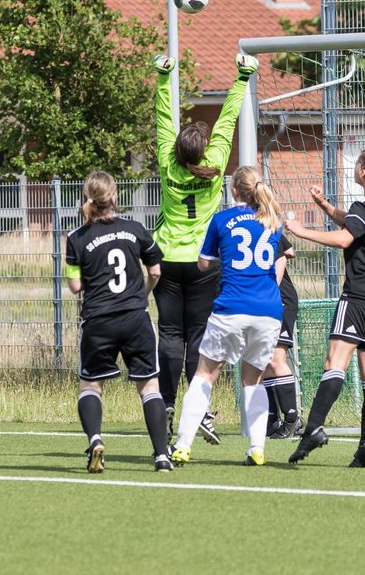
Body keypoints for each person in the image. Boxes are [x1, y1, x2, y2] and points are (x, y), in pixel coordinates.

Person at [151, 51, 259, 444]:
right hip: (203, 262)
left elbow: (164, 120)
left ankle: (164, 403)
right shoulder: (214, 166)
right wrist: (243, 77)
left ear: (177, 150)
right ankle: (201, 411)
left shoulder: (167, 162)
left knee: (169, 333)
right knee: (199, 334)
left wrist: (164, 78)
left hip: (165, 260)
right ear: (203, 149)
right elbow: (228, 118)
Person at [284, 148, 365, 468]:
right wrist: (324, 206)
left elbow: (346, 238)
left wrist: (300, 231)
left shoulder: (363, 206)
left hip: (359, 296)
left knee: (334, 362)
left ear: (363, 171)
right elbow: (357, 224)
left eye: (356, 165)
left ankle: (313, 429)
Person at [169, 166, 284, 468]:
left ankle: (182, 445)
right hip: (269, 311)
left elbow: (204, 264)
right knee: (253, 381)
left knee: (205, 374)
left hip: (232, 307)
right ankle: (257, 448)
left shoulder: (221, 220)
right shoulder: (273, 221)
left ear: (234, 191)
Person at [64, 171, 172, 472]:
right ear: (114, 196)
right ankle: (161, 455)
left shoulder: (76, 237)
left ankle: (96, 439)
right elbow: (155, 272)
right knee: (149, 386)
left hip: (98, 320)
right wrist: (141, 296)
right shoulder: (135, 229)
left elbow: (74, 287)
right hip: (135, 318)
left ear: (88, 197)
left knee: (91, 385)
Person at [263, 233, 302, 439]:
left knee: (276, 358)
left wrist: (270, 291)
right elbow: (290, 250)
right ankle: (272, 419)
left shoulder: (265, 228)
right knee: (263, 361)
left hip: (280, 301)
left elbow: (284, 256)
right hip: (262, 303)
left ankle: (291, 418)